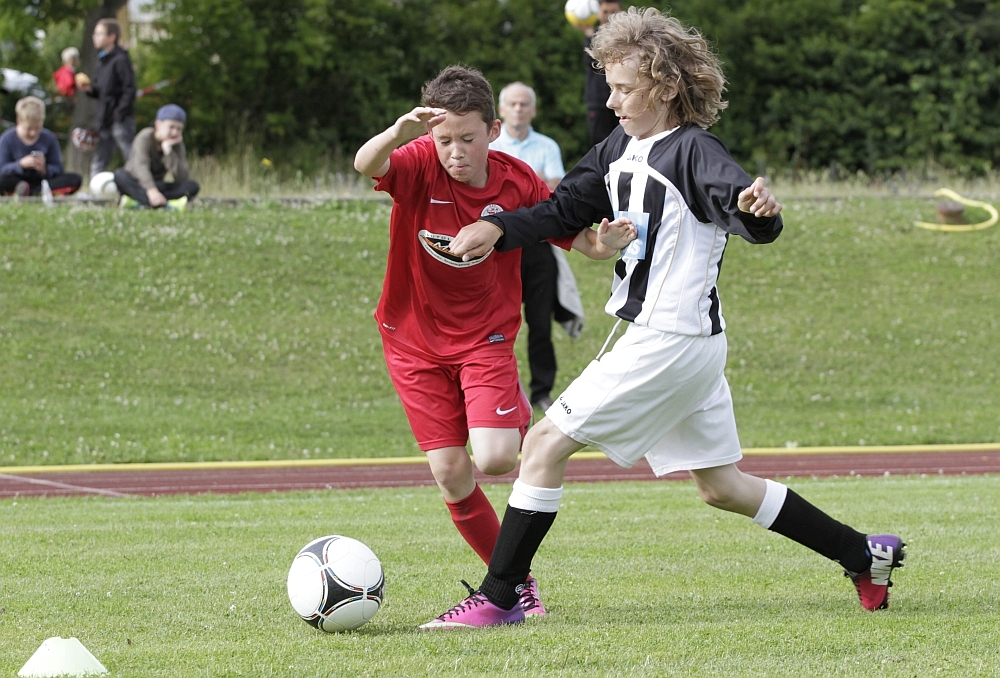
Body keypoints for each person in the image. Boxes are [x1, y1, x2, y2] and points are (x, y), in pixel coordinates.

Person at [420, 7, 905, 629]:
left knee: (542, 445)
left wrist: (759, 212)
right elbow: (563, 209)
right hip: (690, 343)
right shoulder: (619, 145)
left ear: (667, 87)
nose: (610, 100)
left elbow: (744, 211)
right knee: (722, 486)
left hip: (668, 340)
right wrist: (498, 228)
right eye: (609, 85)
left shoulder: (694, 150)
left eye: (623, 89)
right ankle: (863, 554)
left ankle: (500, 597)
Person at [353, 65, 626, 619]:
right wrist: (399, 133)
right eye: (445, 140)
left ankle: (510, 408)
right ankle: (517, 585)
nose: (455, 152)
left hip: (485, 337)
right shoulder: (418, 161)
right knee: (451, 473)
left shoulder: (517, 179)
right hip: (411, 340)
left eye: (468, 139)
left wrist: (603, 244)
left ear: (494, 130)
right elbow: (365, 164)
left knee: (498, 459)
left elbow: (572, 235)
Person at [490, 81, 584, 411]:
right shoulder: (490, 144)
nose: (519, 109)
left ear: (533, 109)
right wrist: (534, 182)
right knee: (496, 323)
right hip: (499, 247)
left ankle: (541, 391)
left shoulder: (547, 145)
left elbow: (553, 192)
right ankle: (498, 389)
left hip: (539, 245)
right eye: (513, 104)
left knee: (540, 323)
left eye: (524, 104)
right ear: (502, 109)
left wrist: (516, 190)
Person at [79, 18, 136, 177]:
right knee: (100, 155)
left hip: (119, 118)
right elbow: (102, 91)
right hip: (104, 118)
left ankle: (140, 183)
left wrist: (119, 113)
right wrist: (90, 89)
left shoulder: (120, 60)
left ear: (111, 37)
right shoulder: (102, 61)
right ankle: (96, 184)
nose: (95, 37)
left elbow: (129, 89)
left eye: (99, 34)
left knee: (130, 153)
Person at [114, 104, 199, 210]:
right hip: (138, 183)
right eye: (171, 127)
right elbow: (141, 166)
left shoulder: (177, 144)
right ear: (158, 124)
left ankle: (141, 203)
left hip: (158, 185)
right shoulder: (145, 137)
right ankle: (165, 204)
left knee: (192, 186)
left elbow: (182, 177)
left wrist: (168, 151)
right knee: (120, 175)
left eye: (179, 129)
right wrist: (152, 190)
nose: (175, 132)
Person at [0, 96, 82, 197]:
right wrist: (21, 164)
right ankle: (26, 190)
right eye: (29, 128)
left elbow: (58, 168)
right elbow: (2, 168)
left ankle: (35, 192)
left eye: (37, 128)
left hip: (43, 181)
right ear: (19, 121)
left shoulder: (49, 138)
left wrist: (44, 169)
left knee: (75, 179)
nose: (33, 133)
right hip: (16, 180)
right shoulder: (7, 139)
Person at [575, 0, 622, 146]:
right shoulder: (592, 37)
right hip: (598, 102)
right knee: (601, 144)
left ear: (621, 12)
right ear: (598, 13)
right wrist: (589, 36)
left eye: (613, 12)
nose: (609, 16)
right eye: (605, 12)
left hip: (622, 100)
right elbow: (593, 62)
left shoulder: (625, 37)